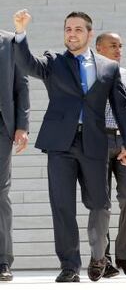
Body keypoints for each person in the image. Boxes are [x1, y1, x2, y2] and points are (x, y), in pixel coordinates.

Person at [13, 10, 126, 282]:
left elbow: (121, 107)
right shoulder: (54, 62)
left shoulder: (109, 66)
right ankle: (69, 265)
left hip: (95, 142)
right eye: (68, 29)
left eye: (78, 29)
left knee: (100, 204)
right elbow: (27, 64)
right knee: (62, 206)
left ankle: (98, 257)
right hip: (60, 143)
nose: (72, 34)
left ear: (89, 34)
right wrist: (21, 33)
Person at [95, 32, 126, 277]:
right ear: (99, 48)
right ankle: (105, 258)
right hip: (99, 141)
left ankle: (123, 255)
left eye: (120, 45)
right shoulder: (91, 77)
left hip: (125, 143)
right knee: (101, 203)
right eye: (113, 45)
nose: (118, 50)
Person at [0, 29, 30, 282]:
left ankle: (2, 260)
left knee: (0, 192)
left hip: (2, 127)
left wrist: (22, 125)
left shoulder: (10, 42)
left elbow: (21, 84)